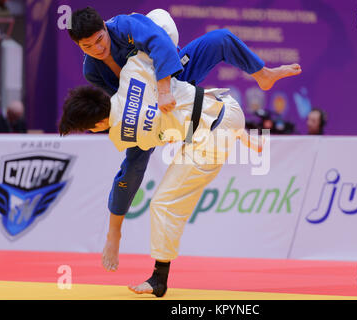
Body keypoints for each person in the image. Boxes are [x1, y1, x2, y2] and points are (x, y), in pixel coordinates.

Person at [67, 5, 302, 279]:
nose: (97, 48)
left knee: (220, 39)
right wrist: (147, 118)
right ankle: (114, 232)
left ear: (105, 28)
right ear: (78, 45)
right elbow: (121, 99)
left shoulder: (124, 26)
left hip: (171, 78)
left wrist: (164, 89)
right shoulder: (92, 71)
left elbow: (158, 42)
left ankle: (262, 75)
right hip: (145, 103)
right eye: (88, 46)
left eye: (100, 39)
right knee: (131, 168)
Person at [59, 50, 253, 297]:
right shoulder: (133, 71)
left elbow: (132, 169)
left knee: (164, 204)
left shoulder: (120, 134)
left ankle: (159, 280)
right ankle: (239, 132)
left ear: (96, 125)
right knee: (184, 108)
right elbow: (161, 24)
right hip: (225, 104)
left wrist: (114, 232)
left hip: (213, 135)